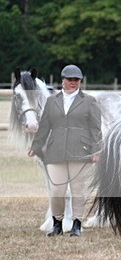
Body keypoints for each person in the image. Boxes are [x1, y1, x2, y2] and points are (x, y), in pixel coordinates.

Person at [28, 64, 102, 237]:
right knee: (56, 190)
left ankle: (77, 224)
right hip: (56, 151)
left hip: (81, 151)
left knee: (78, 190)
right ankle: (57, 223)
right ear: (63, 81)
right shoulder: (52, 101)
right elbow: (45, 125)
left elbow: (96, 128)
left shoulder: (90, 101)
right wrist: (36, 146)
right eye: (70, 80)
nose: (74, 83)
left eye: (77, 80)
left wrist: (96, 150)